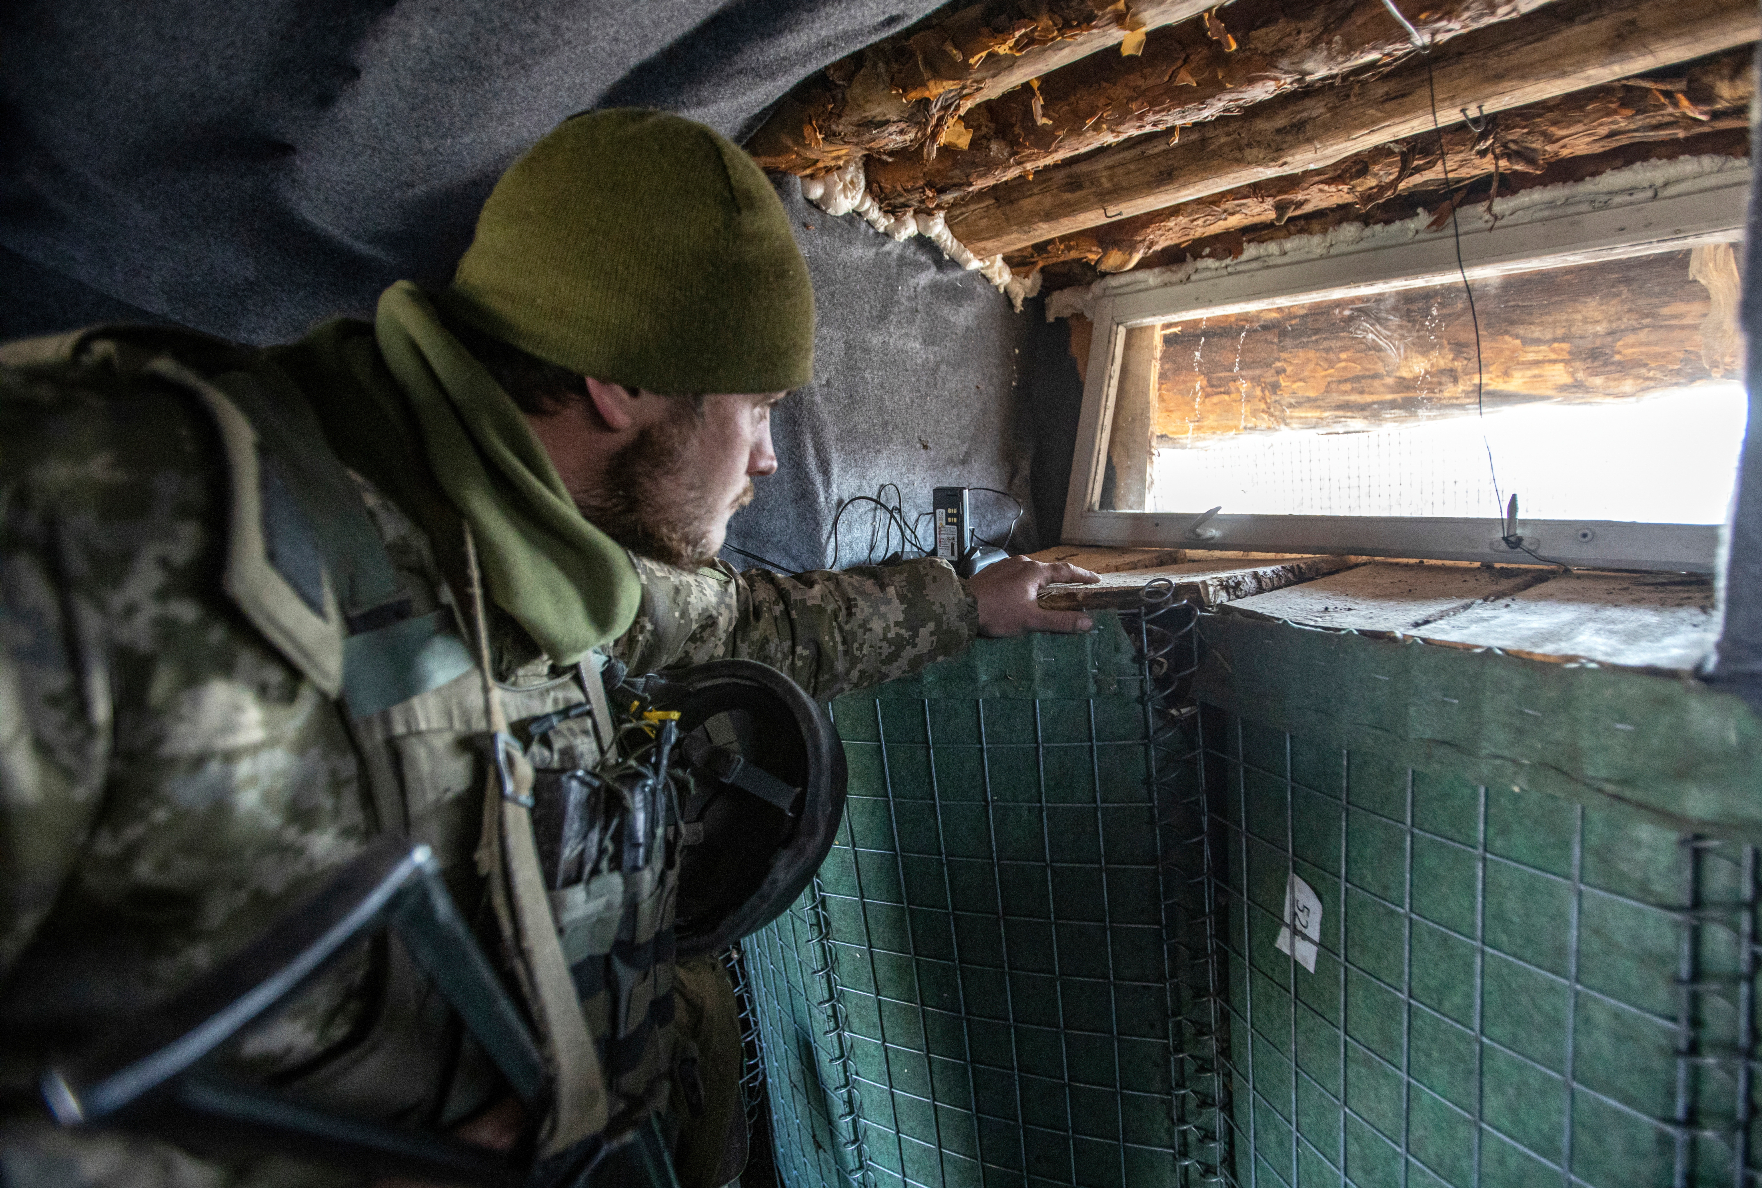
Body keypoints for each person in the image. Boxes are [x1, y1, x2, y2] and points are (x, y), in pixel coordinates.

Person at [0, 108, 1096, 1188]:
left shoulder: (543, 554)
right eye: (755, 410)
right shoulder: (100, 512)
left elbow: (750, 625)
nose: (766, 461)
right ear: (620, 384)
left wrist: (968, 602)